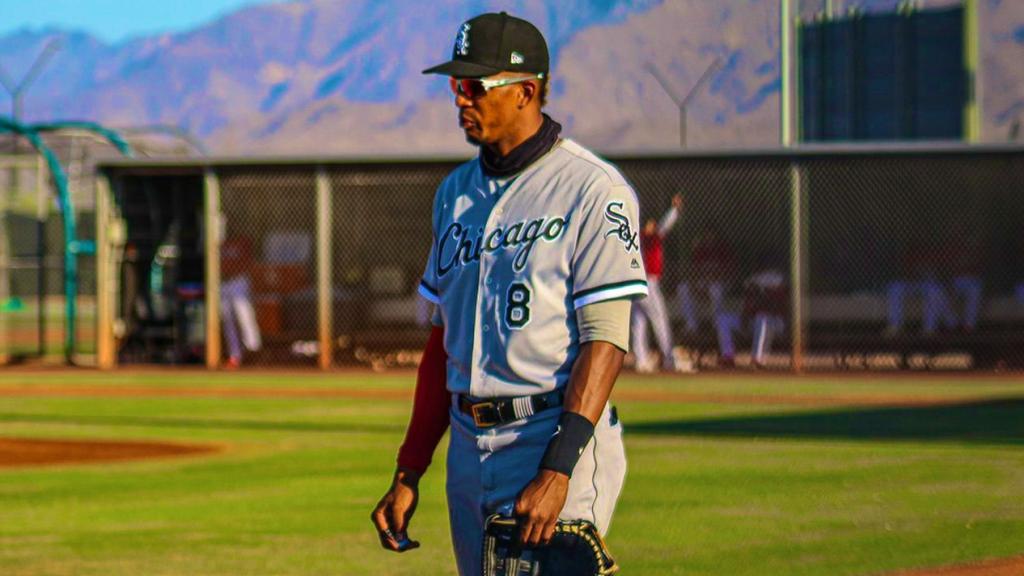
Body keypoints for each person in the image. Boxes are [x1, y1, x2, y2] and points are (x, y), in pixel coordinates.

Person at [370, 12, 646, 576]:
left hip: (548, 434)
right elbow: (442, 343)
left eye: (474, 86)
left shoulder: (592, 189)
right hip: (468, 448)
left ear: (526, 92)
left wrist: (559, 468)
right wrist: (409, 470)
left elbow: (607, 341)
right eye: (455, 86)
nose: (460, 100)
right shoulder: (453, 194)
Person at [632, 193, 691, 373]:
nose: (652, 226)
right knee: (659, 320)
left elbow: (662, 226)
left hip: (636, 283)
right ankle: (668, 358)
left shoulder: (638, 237)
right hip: (648, 283)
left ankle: (641, 360)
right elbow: (665, 226)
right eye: (649, 224)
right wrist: (674, 210)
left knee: (639, 322)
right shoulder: (649, 237)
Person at [714, 252, 787, 368]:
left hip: (775, 322)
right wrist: (745, 316)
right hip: (753, 321)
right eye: (761, 263)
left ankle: (757, 358)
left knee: (762, 317)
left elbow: (776, 307)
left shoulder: (779, 279)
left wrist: (762, 295)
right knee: (722, 319)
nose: (762, 265)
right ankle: (728, 355)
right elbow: (748, 303)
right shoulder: (753, 279)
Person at [220, 235, 261, 367]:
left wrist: (231, 269)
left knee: (245, 315)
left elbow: (247, 262)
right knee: (227, 320)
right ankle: (235, 355)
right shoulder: (216, 242)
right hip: (222, 283)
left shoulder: (242, 240)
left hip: (239, 281)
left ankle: (254, 349)